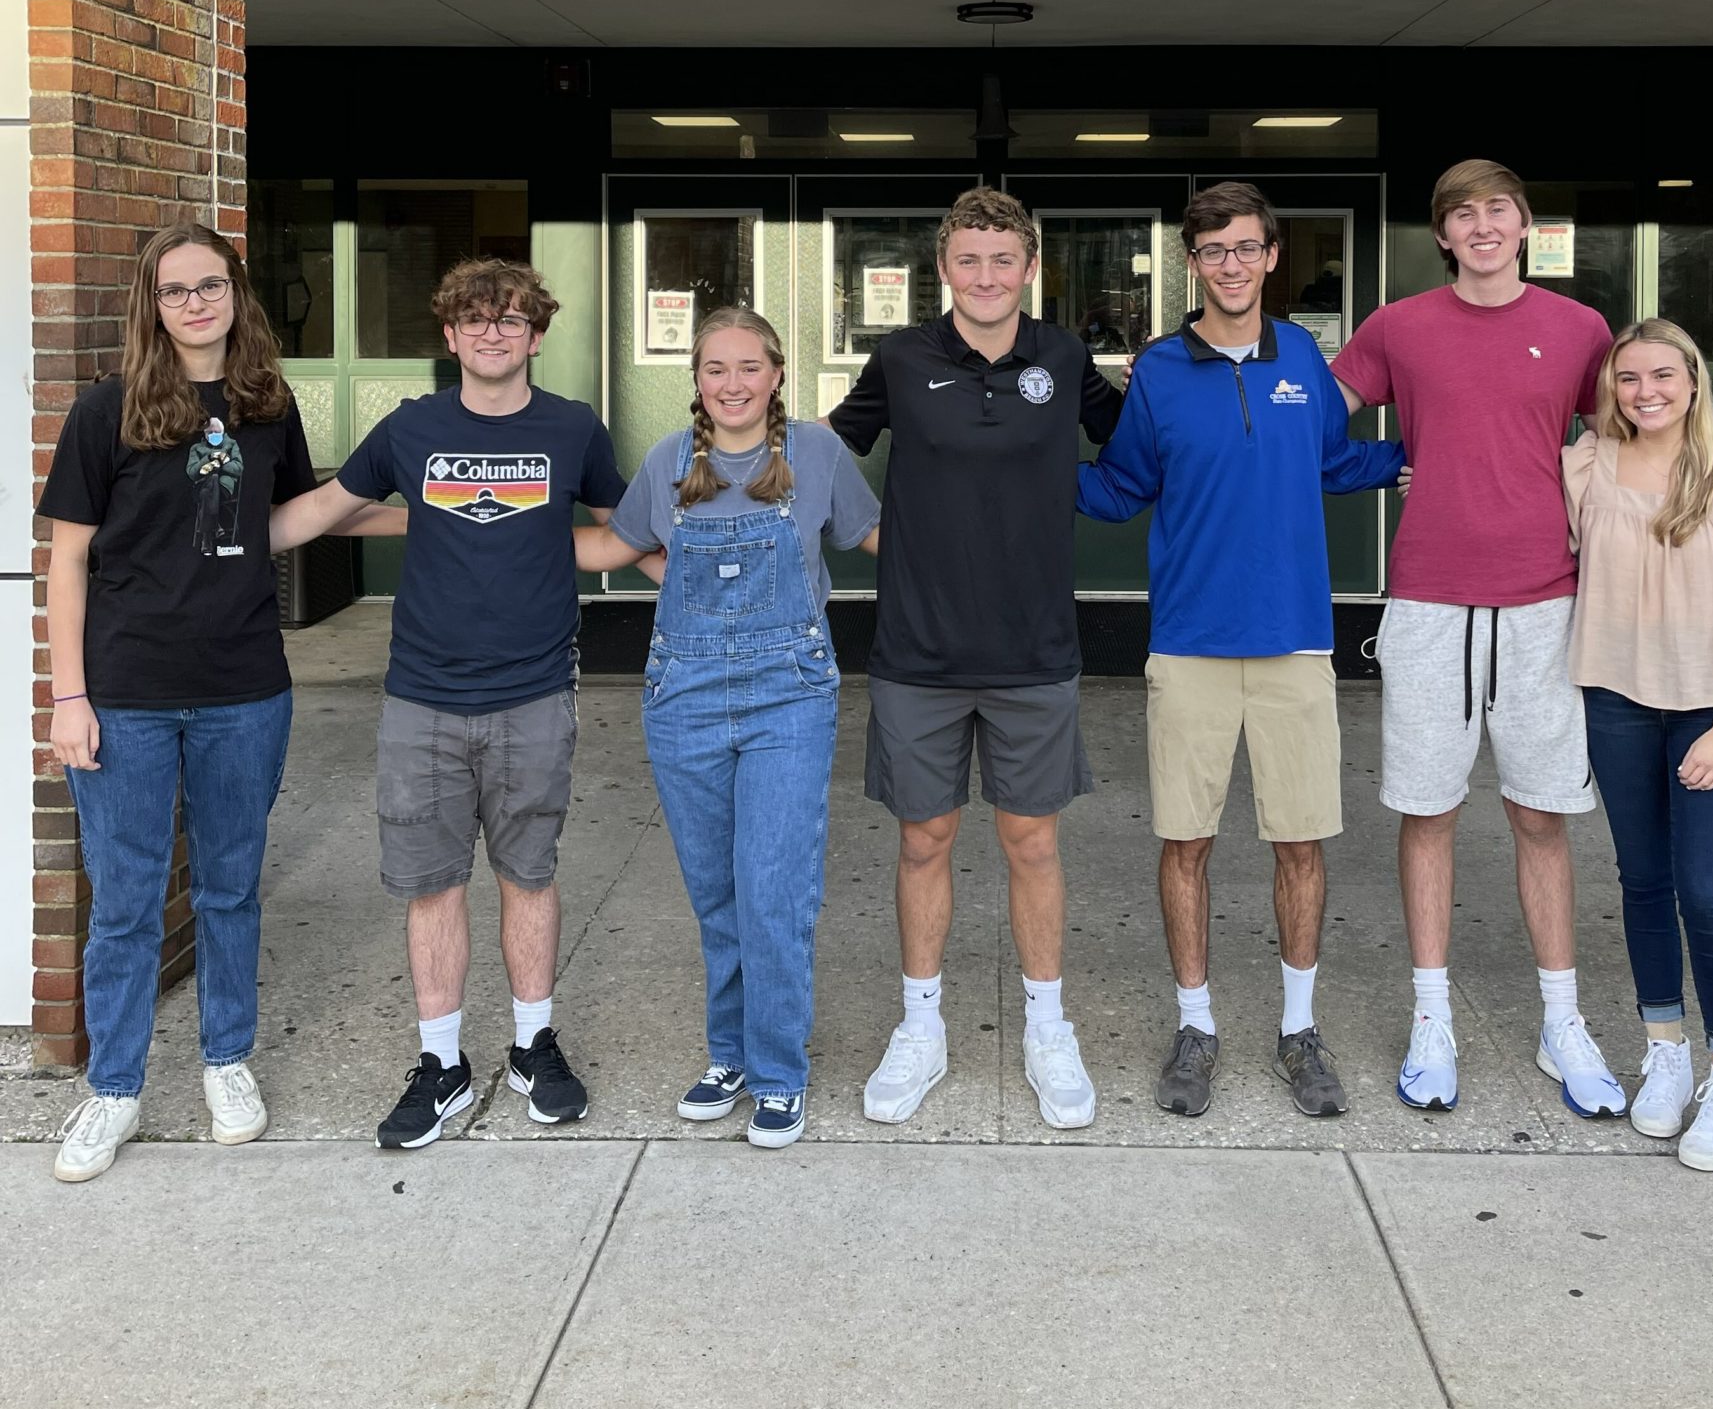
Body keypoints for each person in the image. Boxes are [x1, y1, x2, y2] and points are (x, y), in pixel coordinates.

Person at [38, 221, 400, 1183]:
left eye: (210, 287)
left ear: (237, 295)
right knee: (122, 905)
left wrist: (400, 498)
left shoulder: (265, 405)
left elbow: (278, 521)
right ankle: (112, 1089)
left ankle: (225, 1062)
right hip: (126, 694)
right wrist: (67, 696)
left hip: (245, 689)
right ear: (150, 308)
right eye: (175, 291)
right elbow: (67, 558)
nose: (195, 304)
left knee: (230, 888)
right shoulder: (104, 411)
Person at [273, 258, 623, 1149]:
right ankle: (443, 1065)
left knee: (529, 874)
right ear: (451, 334)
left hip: (534, 693)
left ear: (537, 335)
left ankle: (532, 1044)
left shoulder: (574, 429)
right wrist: (211, 546)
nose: (493, 332)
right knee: (432, 884)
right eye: (475, 319)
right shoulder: (410, 429)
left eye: (511, 320)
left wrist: (719, 571)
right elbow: (324, 509)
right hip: (423, 698)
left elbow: (621, 537)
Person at [1078, 183, 1406, 1121]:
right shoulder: (1158, 372)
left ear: (1271, 258)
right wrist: (1015, 472)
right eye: (1213, 250)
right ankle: (1197, 1026)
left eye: (1247, 248)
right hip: (1188, 644)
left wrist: (1421, 457)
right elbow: (1121, 487)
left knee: (1299, 842)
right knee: (1187, 843)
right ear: (1194, 262)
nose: (1231, 264)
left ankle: (1300, 1030)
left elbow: (1335, 463)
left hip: (1298, 642)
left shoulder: (1304, 356)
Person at [1331, 162, 1630, 1119]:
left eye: (1498, 208)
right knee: (1428, 813)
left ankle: (1561, 1021)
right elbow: (1307, 428)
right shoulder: (1398, 328)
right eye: (1464, 214)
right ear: (1445, 237)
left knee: (1542, 815)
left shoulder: (1579, 330)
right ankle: (1431, 1019)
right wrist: (1390, 463)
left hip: (1546, 603)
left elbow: (1640, 438)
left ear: (1525, 226)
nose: (1484, 225)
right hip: (1428, 605)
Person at [831, 186, 1123, 1130]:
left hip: (1035, 648)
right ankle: (923, 1028)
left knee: (1032, 841)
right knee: (925, 839)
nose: (987, 276)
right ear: (944, 269)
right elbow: (825, 458)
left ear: (1030, 266)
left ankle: (1047, 1026)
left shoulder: (1065, 357)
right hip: (920, 649)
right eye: (969, 260)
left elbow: (1145, 448)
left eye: (1004, 260)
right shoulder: (903, 358)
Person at [573, 311, 880, 1148]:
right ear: (698, 378)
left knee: (773, 890)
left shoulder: (817, 454)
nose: (733, 384)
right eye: (715, 368)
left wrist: (984, 531)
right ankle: (731, 1056)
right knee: (718, 896)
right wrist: (491, 531)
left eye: (749, 367)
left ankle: (780, 1071)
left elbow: (876, 535)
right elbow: (617, 544)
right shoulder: (669, 462)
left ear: (777, 373)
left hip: (790, 696)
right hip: (686, 697)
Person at [1564, 320, 1713, 1171]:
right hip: (1618, 701)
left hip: (1710, 711)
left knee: (1706, 892)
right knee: (1644, 883)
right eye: (1628, 378)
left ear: (1694, 383)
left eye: (1663, 374)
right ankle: (1666, 1049)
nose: (1645, 391)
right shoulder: (1584, 467)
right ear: (1611, 390)